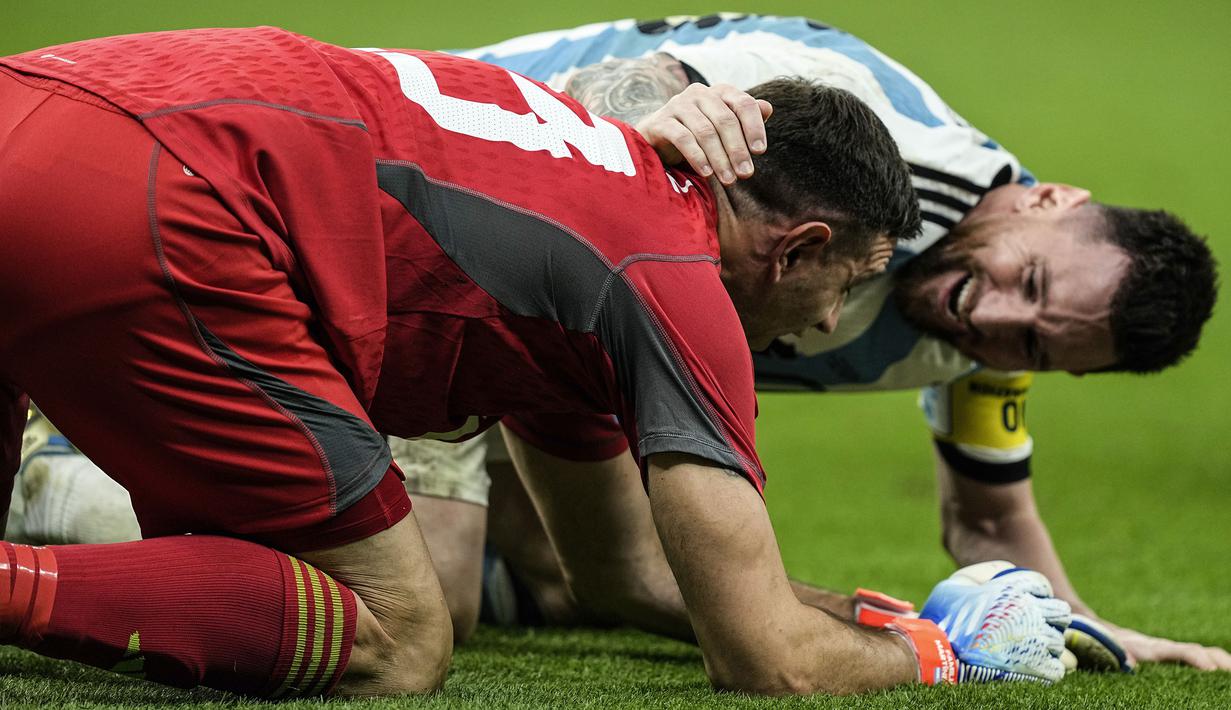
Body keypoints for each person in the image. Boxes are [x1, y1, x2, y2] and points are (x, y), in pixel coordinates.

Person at [8, 14, 1225, 671]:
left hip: (105, 100)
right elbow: (770, 661)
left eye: (1040, 351)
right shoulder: (736, 202)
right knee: (395, 624)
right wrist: (927, 663)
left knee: (550, 564)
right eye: (829, 295)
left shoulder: (979, 341)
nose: (998, 329)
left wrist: (971, 614)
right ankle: (71, 481)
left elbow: (635, 576)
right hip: (266, 227)